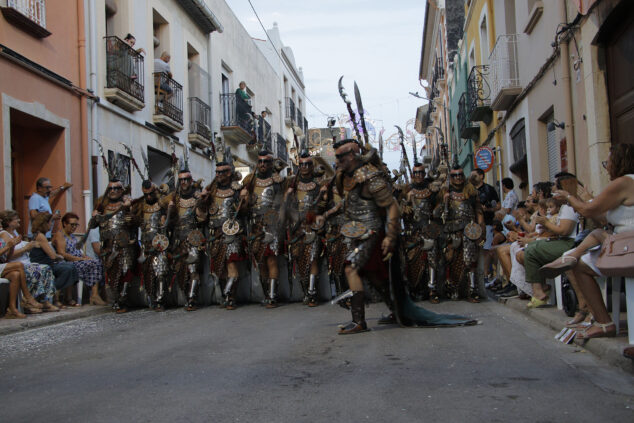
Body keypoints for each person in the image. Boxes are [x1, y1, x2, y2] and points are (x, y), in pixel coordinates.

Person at [540, 144, 634, 338]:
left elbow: (588, 211)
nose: (606, 167)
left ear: (619, 162)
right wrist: (584, 201)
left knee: (580, 265)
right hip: (622, 242)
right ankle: (570, 256)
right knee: (596, 235)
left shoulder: (624, 182)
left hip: (627, 247)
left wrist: (569, 198)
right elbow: (602, 218)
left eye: (607, 162)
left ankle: (604, 322)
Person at [522, 175, 580, 308]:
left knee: (531, 250)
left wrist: (546, 223)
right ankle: (541, 287)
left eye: (555, 187)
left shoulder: (569, 207)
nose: (553, 190)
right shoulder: (565, 206)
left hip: (569, 243)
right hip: (564, 241)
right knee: (532, 246)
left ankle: (538, 292)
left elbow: (564, 231)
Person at [198, 149, 246, 310]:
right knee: (220, 268)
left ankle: (230, 296)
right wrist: (202, 201)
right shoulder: (210, 191)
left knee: (232, 264)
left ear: (230, 172)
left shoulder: (237, 190)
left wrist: (245, 199)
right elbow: (201, 214)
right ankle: (226, 294)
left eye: (223, 172)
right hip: (215, 234)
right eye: (217, 172)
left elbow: (244, 211)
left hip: (232, 234)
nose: (220, 174)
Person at [241, 150, 287, 308]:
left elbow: (280, 204)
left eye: (266, 162)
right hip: (254, 226)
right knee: (260, 262)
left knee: (271, 260)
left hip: (271, 225)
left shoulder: (277, 181)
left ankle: (273, 296)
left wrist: (269, 224)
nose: (262, 164)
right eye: (260, 161)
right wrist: (244, 199)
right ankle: (267, 293)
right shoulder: (250, 180)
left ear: (271, 163)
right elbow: (245, 210)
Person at [441, 164, 485, 302]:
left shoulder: (471, 192)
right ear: (451, 177)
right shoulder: (445, 192)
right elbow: (437, 213)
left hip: (469, 230)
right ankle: (453, 288)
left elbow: (478, 211)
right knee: (451, 260)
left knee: (470, 260)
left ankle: (472, 290)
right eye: (454, 175)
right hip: (452, 231)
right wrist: (444, 202)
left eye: (460, 175)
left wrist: (481, 231)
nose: (458, 178)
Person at [398, 161, 441, 302]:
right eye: (416, 173)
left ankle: (432, 290)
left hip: (428, 230)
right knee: (411, 261)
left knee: (432, 259)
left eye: (421, 172)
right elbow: (400, 212)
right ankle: (413, 289)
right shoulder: (406, 190)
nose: (418, 175)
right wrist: (407, 203)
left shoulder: (431, 190)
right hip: (412, 231)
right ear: (412, 175)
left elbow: (438, 207)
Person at [92, 179, 138, 313]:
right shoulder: (102, 205)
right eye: (111, 189)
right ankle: (117, 299)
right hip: (108, 245)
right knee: (112, 274)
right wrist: (95, 217)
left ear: (121, 190)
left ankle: (123, 298)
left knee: (125, 270)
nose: (113, 191)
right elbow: (94, 224)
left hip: (124, 244)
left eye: (116, 188)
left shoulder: (128, 202)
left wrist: (131, 217)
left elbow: (136, 221)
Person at [285, 151, 323, 306]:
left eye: (307, 164)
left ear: (312, 166)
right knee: (299, 260)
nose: (304, 167)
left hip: (312, 227)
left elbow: (323, 205)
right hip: (296, 228)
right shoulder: (291, 184)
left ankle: (313, 292)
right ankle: (305, 291)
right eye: (302, 164)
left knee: (313, 258)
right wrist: (287, 197)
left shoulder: (319, 184)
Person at [0, 210, 57, 313]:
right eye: (16, 218)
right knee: (35, 269)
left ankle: (43, 300)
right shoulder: (4, 234)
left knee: (46, 268)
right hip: (16, 263)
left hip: (22, 263)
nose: (19, 220)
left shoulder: (14, 233)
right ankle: (29, 300)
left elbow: (8, 252)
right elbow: (8, 255)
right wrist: (25, 248)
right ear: (8, 222)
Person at [167, 165, 205, 311]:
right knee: (180, 269)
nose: (183, 182)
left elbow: (203, 217)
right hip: (177, 239)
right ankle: (184, 294)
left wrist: (200, 204)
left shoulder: (197, 196)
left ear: (190, 181)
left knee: (193, 268)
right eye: (181, 180)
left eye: (186, 180)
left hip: (193, 238)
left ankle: (192, 298)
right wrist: (168, 210)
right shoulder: (174, 199)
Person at [132, 180, 170, 311]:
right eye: (146, 194)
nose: (148, 197)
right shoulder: (140, 205)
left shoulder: (162, 202)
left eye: (151, 194)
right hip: (146, 243)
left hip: (160, 242)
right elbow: (134, 220)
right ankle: (151, 297)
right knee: (148, 272)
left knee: (160, 272)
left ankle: (160, 299)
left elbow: (170, 210)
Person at [53, 213, 106, 306]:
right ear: (65, 224)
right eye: (72, 225)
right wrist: (80, 259)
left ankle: (95, 294)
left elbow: (78, 251)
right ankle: (94, 295)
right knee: (95, 264)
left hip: (78, 260)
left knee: (98, 262)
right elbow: (62, 253)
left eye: (76, 225)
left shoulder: (72, 236)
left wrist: (85, 257)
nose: (74, 227)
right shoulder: (60, 235)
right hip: (68, 262)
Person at [29, 213, 79, 307]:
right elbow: (52, 256)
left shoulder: (40, 235)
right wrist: (60, 257)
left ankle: (62, 297)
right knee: (67, 269)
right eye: (50, 222)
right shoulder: (40, 236)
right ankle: (52, 292)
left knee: (72, 266)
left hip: (48, 263)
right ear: (44, 223)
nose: (51, 225)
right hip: (43, 264)